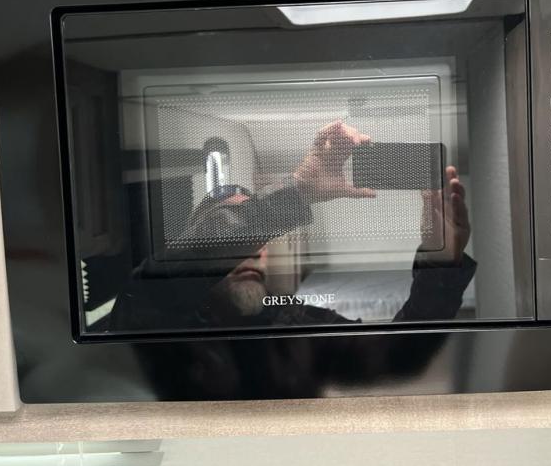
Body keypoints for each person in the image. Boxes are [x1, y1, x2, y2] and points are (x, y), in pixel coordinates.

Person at [111, 120, 476, 330]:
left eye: (259, 239)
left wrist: (440, 262)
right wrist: (298, 190)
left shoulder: (300, 321)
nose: (256, 251)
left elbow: (401, 356)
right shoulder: (158, 316)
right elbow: (151, 291)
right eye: (236, 239)